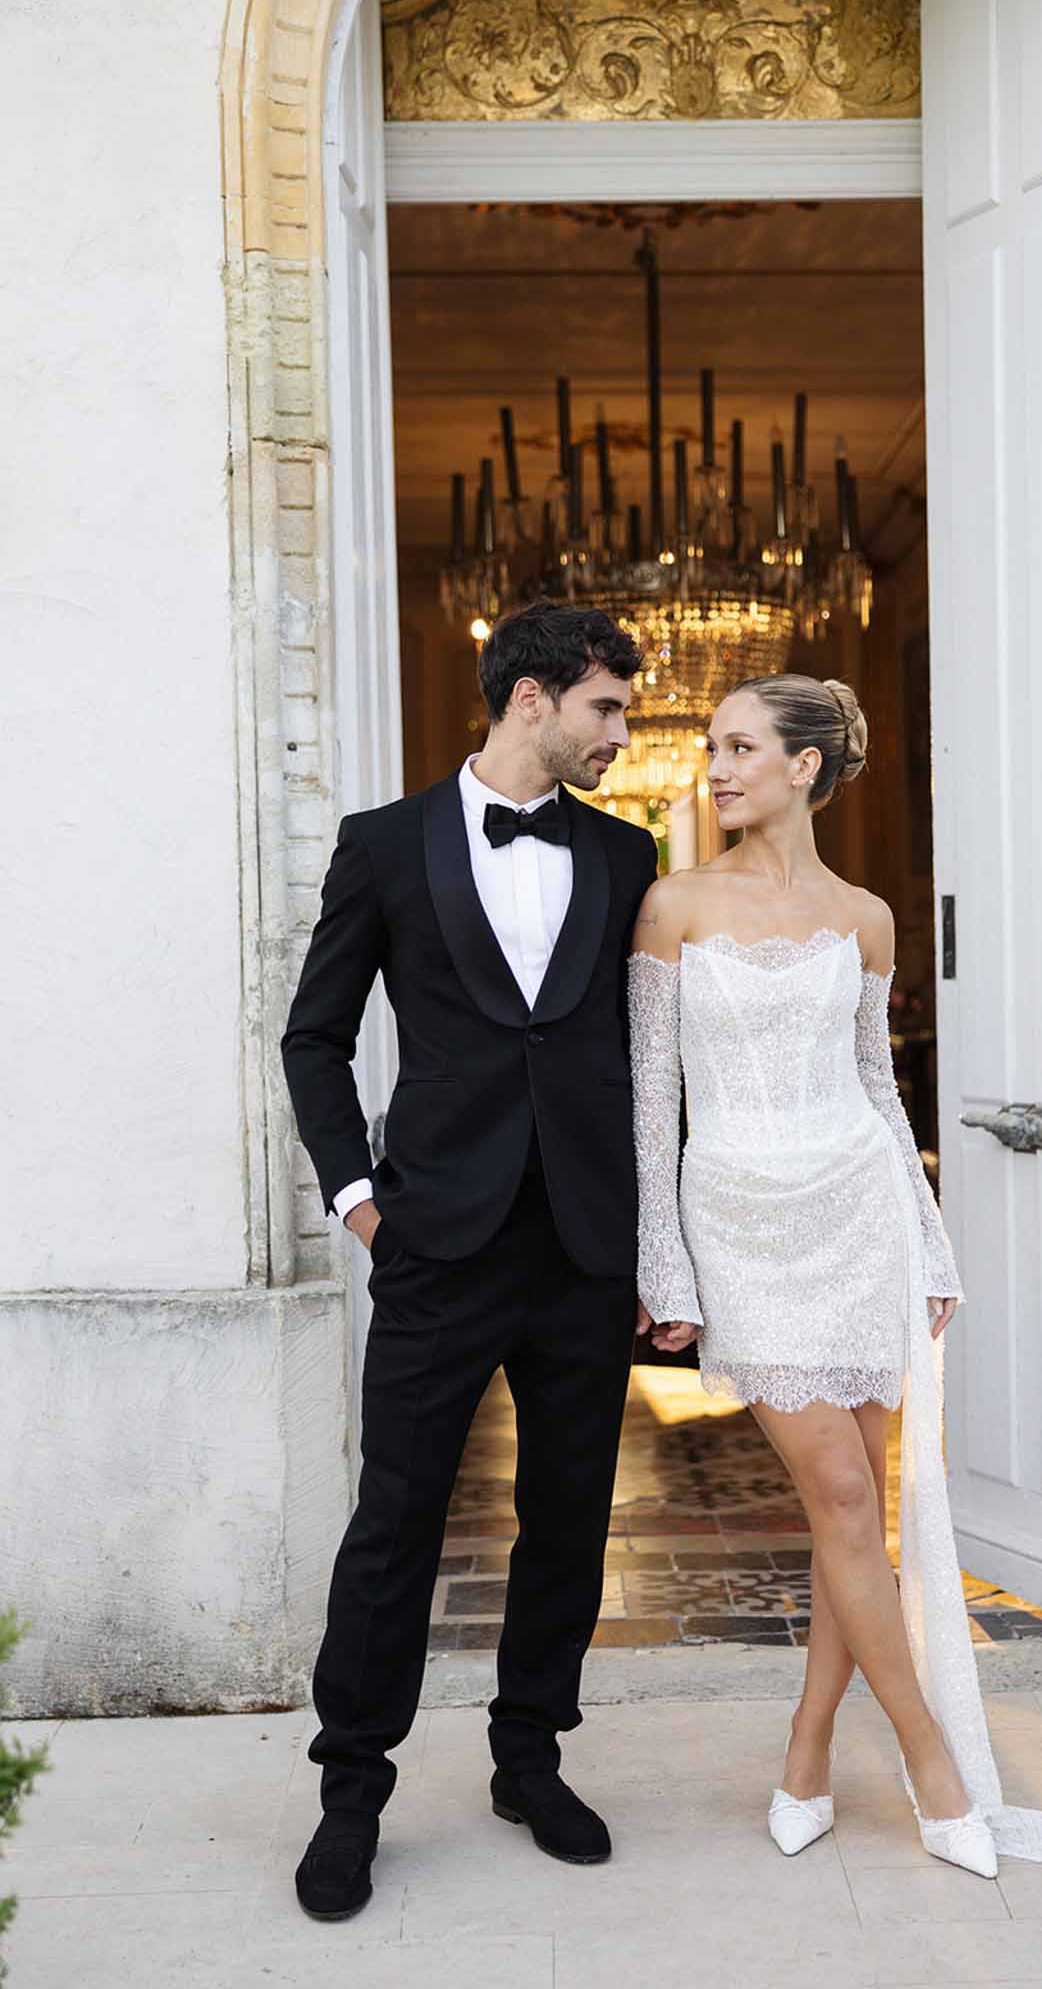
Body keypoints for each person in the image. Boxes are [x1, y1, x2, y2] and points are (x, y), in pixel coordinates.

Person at [630, 673, 1042, 1878]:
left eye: (741, 745)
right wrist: (661, 1255)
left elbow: (873, 1084)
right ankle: (931, 1753)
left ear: (804, 766)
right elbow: (650, 1102)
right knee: (843, 1496)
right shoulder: (671, 904)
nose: (717, 764)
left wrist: (930, 1231)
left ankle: (806, 1749)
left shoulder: (864, 917)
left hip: (858, 1213)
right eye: (713, 746)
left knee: (845, 1505)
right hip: (739, 1219)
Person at [281, 600, 658, 1920]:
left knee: (567, 1520)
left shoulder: (627, 856)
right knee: (396, 1523)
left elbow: (646, 1061)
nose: (622, 730)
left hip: (582, 1253)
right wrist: (359, 1202)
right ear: (533, 698)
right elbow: (314, 1037)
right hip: (436, 1245)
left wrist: (656, 1254)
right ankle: (349, 1797)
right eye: (607, 706)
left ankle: (528, 1760)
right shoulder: (383, 848)